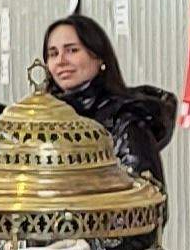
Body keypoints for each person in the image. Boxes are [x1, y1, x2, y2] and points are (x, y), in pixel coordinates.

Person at [40, 11, 172, 184]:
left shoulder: (125, 122)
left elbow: (144, 197)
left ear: (99, 57)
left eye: (72, 50)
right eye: (53, 54)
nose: (61, 61)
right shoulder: (41, 117)